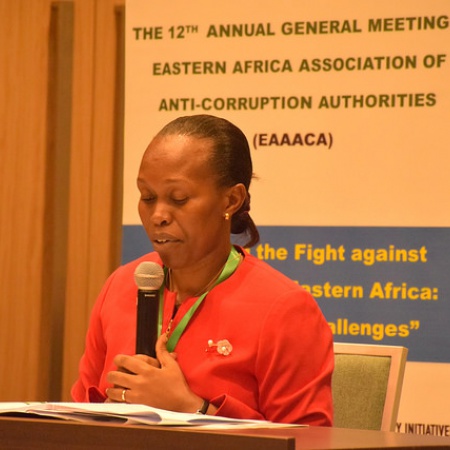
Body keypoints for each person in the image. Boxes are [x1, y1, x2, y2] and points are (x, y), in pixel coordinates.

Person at [71, 114, 334, 426]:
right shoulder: (121, 286)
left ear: (231, 200)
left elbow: (308, 440)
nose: (158, 215)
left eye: (179, 198)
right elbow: (77, 414)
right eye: (147, 197)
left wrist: (190, 408)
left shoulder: (284, 309)